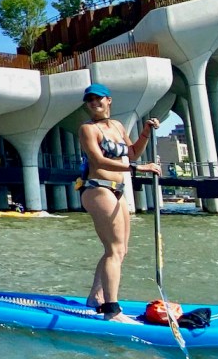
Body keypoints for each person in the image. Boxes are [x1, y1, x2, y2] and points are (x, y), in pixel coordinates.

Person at [78, 83, 160, 323]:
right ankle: (111, 311)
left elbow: (132, 152)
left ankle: (96, 297)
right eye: (90, 100)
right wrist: (139, 168)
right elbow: (99, 160)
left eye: (98, 99)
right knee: (114, 250)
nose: (94, 103)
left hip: (118, 190)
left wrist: (145, 131)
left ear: (109, 100)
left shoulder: (117, 126)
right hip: (96, 189)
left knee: (120, 250)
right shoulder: (87, 129)